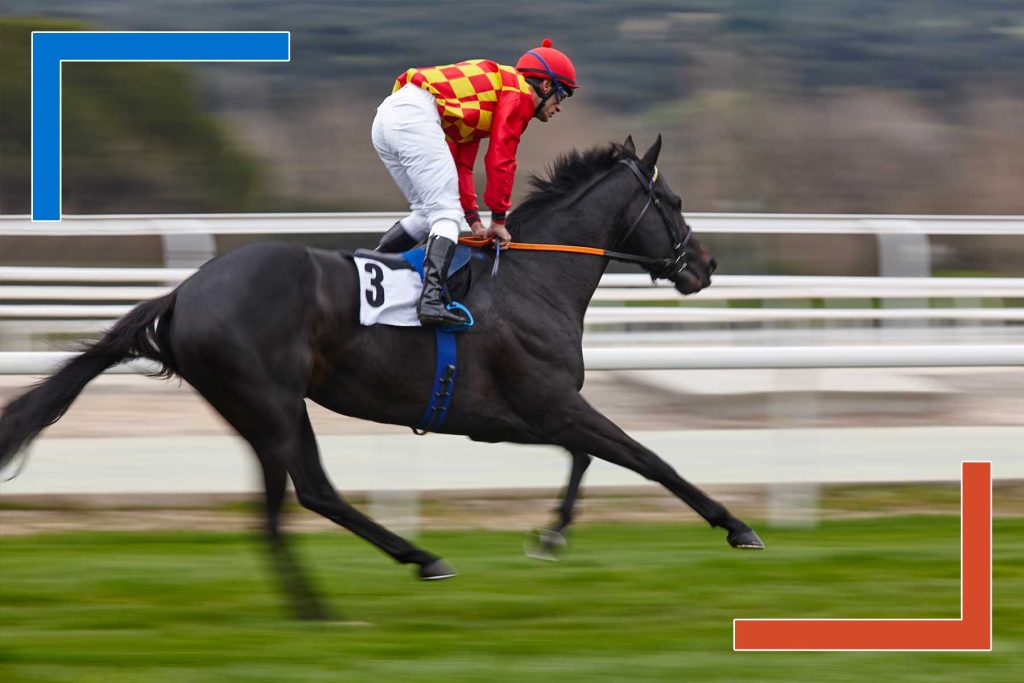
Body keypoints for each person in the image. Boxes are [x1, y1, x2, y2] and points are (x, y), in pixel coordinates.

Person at [371, 39, 578, 326]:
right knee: (445, 214)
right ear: (545, 86)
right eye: (562, 95)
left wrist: (475, 222)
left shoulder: (490, 97)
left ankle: (368, 267)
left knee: (426, 214)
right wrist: (499, 220)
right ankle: (430, 301)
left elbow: (461, 163)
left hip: (387, 117)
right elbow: (501, 159)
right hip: (413, 118)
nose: (560, 107)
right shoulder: (519, 94)